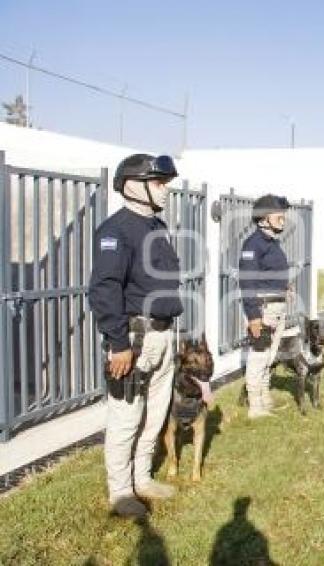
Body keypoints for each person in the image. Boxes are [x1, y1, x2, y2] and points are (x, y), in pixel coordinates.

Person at [89, 153, 183, 518]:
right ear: (133, 185)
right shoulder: (116, 230)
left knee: (154, 414)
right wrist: (118, 343)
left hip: (161, 336)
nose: (164, 190)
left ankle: (142, 478)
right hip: (132, 338)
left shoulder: (156, 227)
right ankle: (121, 492)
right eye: (158, 183)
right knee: (126, 417)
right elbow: (104, 289)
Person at [239, 194, 292, 418]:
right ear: (264, 218)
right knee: (259, 356)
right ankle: (255, 407)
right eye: (278, 215)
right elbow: (247, 282)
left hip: (276, 307)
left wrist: (285, 287)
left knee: (270, 357)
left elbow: (270, 274)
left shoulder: (272, 243)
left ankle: (265, 399)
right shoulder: (253, 244)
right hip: (263, 309)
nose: (283, 219)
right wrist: (253, 316)